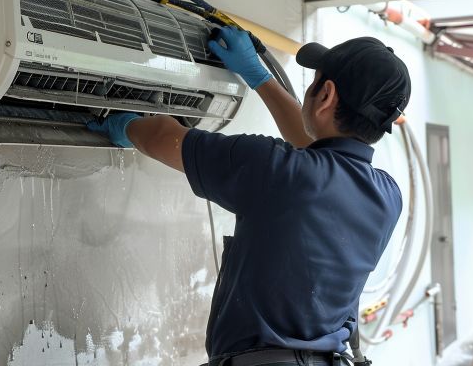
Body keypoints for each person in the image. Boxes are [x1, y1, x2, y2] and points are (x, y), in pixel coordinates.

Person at [87, 27, 412, 366]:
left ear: (326, 95)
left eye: (313, 84)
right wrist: (258, 77)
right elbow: (318, 158)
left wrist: (122, 123)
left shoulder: (275, 169)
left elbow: (161, 137)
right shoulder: (388, 197)